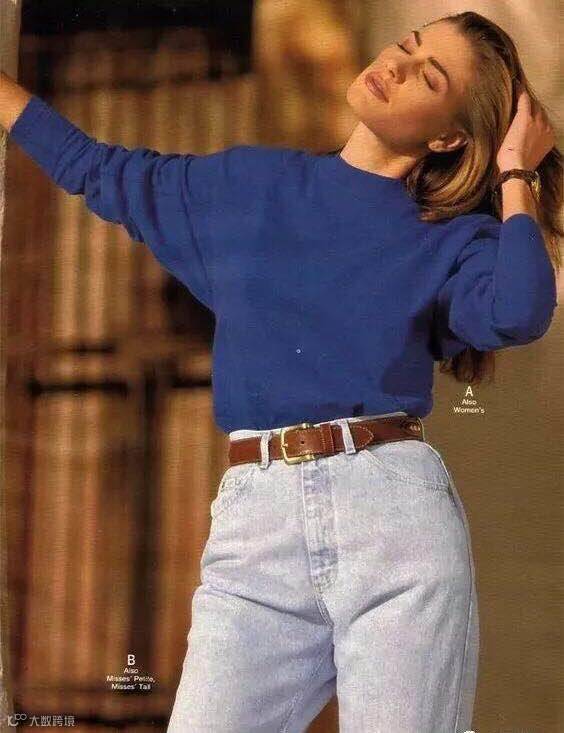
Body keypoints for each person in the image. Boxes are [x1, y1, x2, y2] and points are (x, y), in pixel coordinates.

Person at [1, 9, 560, 733]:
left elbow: (519, 311)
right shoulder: (247, 186)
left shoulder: (453, 238)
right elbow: (94, 166)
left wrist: (516, 173)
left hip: (395, 525)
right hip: (254, 524)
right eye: (407, 45)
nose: (394, 65)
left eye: (428, 77)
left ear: (448, 137)